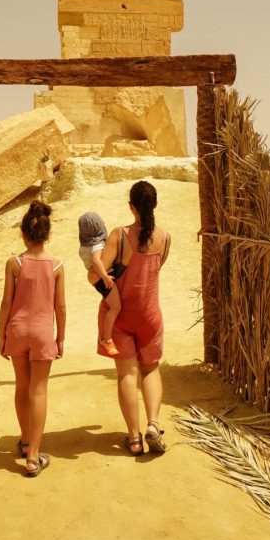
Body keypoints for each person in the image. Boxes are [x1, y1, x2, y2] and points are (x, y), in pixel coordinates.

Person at [95, 181, 171, 456]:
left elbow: (98, 274)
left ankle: (134, 438)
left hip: (122, 317)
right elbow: (155, 268)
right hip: (150, 314)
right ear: (155, 205)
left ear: (131, 206)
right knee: (150, 369)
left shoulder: (120, 235)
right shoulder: (164, 237)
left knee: (127, 374)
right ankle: (153, 424)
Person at [0, 200, 66, 477]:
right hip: (41, 333)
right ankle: (34, 457)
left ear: (24, 234)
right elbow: (60, 307)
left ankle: (26, 442)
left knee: (22, 387)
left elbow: (6, 302)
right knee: (39, 391)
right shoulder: (57, 265)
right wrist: (60, 337)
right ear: (47, 235)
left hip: (17, 329)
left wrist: (1, 335)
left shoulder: (14, 263)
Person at [77, 212, 121, 356]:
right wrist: (105, 277)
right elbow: (96, 260)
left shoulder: (85, 246)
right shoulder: (97, 245)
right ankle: (106, 339)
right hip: (102, 279)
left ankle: (106, 338)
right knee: (115, 307)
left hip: (97, 279)